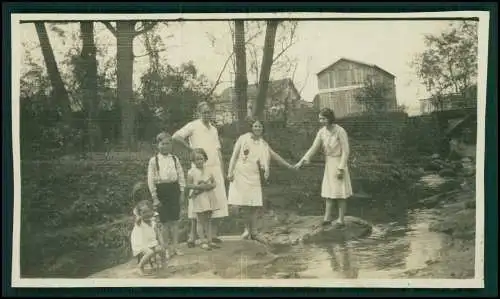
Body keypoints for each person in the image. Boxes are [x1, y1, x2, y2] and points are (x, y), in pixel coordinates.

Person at [227, 119, 296, 239]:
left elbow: (275, 156)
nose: (257, 128)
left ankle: (253, 231)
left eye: (259, 126)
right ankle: (246, 230)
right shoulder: (243, 138)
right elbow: (234, 155)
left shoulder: (263, 144)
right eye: (255, 126)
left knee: (254, 204)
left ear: (263, 128)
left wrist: (289, 166)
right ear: (251, 127)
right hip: (241, 172)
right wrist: (230, 172)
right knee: (245, 204)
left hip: (254, 174)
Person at [173, 101, 228, 247]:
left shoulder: (214, 130)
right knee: (196, 201)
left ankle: (212, 235)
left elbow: (217, 150)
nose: (207, 114)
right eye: (204, 112)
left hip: (213, 167)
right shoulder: (193, 125)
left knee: (214, 201)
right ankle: (192, 236)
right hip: (198, 167)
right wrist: (191, 149)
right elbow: (176, 137)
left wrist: (222, 170)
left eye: (209, 112)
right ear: (198, 113)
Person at [294, 108, 353, 228]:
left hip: (339, 163)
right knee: (329, 192)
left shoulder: (340, 131)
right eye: (320, 118)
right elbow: (313, 147)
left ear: (330, 118)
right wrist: (302, 161)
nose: (321, 121)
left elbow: (346, 151)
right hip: (329, 163)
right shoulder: (321, 132)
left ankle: (341, 220)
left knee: (341, 193)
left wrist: (341, 168)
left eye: (323, 118)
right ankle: (327, 218)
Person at [147, 132, 186, 258]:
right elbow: (150, 179)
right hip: (161, 191)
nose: (166, 146)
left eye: (168, 143)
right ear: (157, 145)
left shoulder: (175, 159)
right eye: (163, 144)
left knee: (175, 221)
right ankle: (166, 248)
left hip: (174, 189)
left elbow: (181, 176)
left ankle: (176, 247)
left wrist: (182, 192)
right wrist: (154, 197)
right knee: (164, 223)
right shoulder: (154, 160)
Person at [185, 148, 220, 250]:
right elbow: (188, 185)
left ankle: (209, 240)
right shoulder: (191, 172)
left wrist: (210, 186)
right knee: (200, 220)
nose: (199, 161)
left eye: (201, 159)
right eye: (196, 159)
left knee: (209, 219)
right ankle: (203, 241)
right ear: (193, 161)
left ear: (205, 159)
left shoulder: (209, 170)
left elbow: (214, 183)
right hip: (199, 197)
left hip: (209, 196)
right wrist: (199, 187)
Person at [130, 200, 165, 276]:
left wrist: (162, 243)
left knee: (161, 249)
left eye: (149, 212)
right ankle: (139, 267)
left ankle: (163, 264)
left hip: (151, 242)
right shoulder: (139, 222)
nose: (147, 214)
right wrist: (139, 215)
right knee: (150, 252)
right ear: (140, 214)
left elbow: (158, 234)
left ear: (152, 212)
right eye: (144, 213)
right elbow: (135, 212)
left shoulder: (153, 223)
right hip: (141, 243)